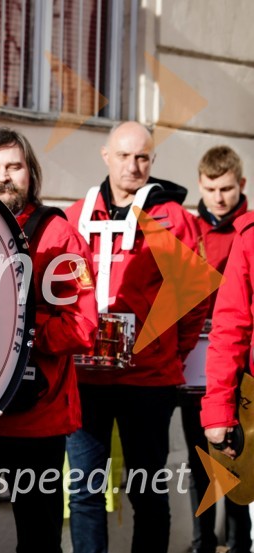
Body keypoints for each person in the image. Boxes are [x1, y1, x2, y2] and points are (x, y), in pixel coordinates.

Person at [0, 127, 98, 553]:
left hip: (37, 421)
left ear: (31, 174)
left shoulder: (62, 237)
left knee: (40, 542)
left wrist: (19, 334)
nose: (3, 176)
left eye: (14, 166)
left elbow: (83, 324)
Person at [64, 121, 208, 553]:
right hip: (85, 380)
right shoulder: (75, 215)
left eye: (142, 157)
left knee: (146, 490)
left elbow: (194, 299)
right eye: (124, 155)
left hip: (148, 382)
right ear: (106, 156)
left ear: (153, 161)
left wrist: (165, 350)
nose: (133, 165)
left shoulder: (174, 220)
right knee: (85, 491)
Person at [182, 146, 251, 553]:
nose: (219, 197)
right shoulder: (190, 231)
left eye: (226, 188)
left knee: (241, 466)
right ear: (200, 186)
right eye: (210, 189)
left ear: (241, 185)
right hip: (197, 367)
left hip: (240, 367)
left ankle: (241, 543)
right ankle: (202, 542)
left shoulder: (248, 230)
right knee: (200, 464)